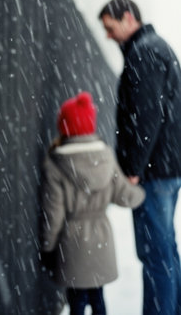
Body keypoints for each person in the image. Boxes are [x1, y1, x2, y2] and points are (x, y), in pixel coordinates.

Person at [98, 0, 181, 315]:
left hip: (154, 173)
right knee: (166, 252)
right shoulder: (155, 47)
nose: (108, 35)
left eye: (110, 27)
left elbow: (147, 116)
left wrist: (133, 167)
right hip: (167, 168)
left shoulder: (144, 52)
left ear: (129, 18)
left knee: (155, 257)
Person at [40, 91, 145, 315]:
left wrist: (48, 247)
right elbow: (124, 195)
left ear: (64, 126)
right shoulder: (105, 156)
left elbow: (54, 214)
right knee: (98, 300)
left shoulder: (55, 163)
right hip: (101, 240)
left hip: (72, 243)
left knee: (76, 302)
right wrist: (142, 193)